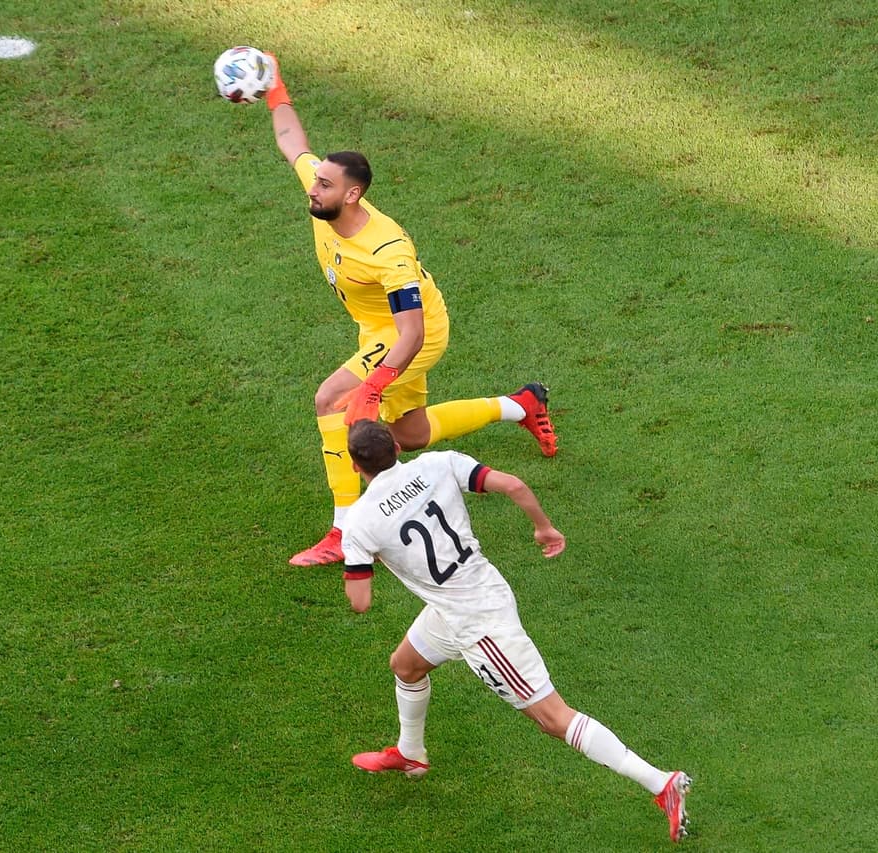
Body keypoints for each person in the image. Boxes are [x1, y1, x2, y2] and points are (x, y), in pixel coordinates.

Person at [260, 56, 558, 568]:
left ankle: (342, 530)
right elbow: (292, 138)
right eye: (316, 181)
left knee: (332, 400)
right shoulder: (322, 193)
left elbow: (412, 332)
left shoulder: (387, 251)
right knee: (411, 436)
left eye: (325, 185)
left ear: (353, 195)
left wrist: (372, 386)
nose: (313, 187)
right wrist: (274, 85)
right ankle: (523, 404)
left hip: (411, 335)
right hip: (378, 329)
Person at [340, 419, 691, 843]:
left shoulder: (359, 522)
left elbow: (360, 602)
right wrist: (544, 527)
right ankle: (411, 754)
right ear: (396, 445)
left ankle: (661, 782)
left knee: (552, 718)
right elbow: (514, 486)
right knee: (407, 665)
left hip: (479, 627)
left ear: (356, 466)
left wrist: (365, 558)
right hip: (474, 594)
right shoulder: (438, 463)